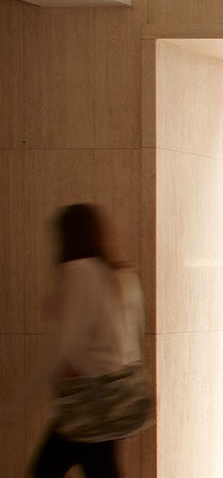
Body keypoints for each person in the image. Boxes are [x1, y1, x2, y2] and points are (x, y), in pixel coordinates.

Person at [33, 204, 147, 478]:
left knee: (45, 469)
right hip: (117, 396)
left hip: (89, 400)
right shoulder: (120, 272)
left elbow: (68, 345)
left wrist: (18, 401)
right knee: (94, 468)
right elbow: (133, 331)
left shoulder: (79, 273)